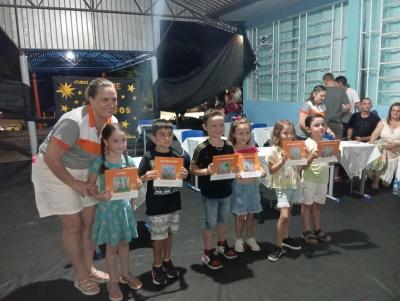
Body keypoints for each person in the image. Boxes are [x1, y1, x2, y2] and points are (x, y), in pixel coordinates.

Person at [31, 78, 117, 295]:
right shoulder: (73, 122)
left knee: (89, 223)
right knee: (74, 225)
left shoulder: (110, 121)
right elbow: (51, 158)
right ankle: (81, 275)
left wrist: (92, 180)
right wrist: (73, 183)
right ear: (90, 100)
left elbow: (103, 156)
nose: (110, 103)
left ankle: (89, 268)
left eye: (114, 99)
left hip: (85, 170)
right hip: (54, 169)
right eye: (105, 99)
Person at [87, 123, 142, 301]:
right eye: (116, 140)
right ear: (106, 142)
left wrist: (138, 186)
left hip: (124, 211)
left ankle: (126, 274)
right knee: (111, 248)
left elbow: (134, 185)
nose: (121, 144)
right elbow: (90, 187)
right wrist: (100, 195)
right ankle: (113, 282)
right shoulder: (99, 162)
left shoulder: (129, 161)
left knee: (125, 244)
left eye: (124, 140)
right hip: (108, 211)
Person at [138, 119, 189, 286]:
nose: (167, 138)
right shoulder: (148, 157)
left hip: (173, 203)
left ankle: (167, 260)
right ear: (154, 137)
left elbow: (184, 176)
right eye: (162, 135)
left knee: (169, 234)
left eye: (169, 135)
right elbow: (138, 179)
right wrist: (145, 177)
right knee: (158, 237)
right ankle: (157, 265)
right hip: (156, 206)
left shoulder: (177, 155)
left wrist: (184, 174)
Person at [190, 109, 238, 270]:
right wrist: (206, 171)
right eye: (214, 126)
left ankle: (222, 245)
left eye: (221, 125)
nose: (218, 129)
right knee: (210, 222)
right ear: (205, 127)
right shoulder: (201, 148)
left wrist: (236, 168)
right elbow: (193, 169)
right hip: (210, 192)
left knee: (223, 220)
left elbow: (232, 165)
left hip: (226, 190)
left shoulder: (229, 145)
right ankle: (208, 252)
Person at [266, 120, 303, 262]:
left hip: (294, 184)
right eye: (285, 133)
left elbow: (298, 168)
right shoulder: (274, 150)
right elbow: (271, 170)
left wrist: (303, 160)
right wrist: (282, 161)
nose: (289, 136)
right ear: (278, 133)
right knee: (285, 215)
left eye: (291, 133)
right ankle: (278, 246)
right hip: (281, 186)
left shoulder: (295, 147)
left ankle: (285, 238)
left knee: (290, 212)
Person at [228, 118, 265, 253]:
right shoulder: (231, 150)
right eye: (240, 133)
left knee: (251, 215)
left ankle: (250, 238)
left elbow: (257, 166)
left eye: (247, 133)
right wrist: (233, 172)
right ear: (233, 134)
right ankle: (238, 239)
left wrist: (261, 171)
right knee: (240, 216)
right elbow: (228, 169)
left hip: (253, 187)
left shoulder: (253, 149)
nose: (244, 136)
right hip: (239, 187)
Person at [301, 115, 337, 244]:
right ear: (308, 129)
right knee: (307, 206)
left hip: (322, 180)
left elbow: (329, 163)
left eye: (323, 124)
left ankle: (317, 229)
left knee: (317, 206)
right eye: (316, 125)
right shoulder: (306, 144)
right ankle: (306, 230)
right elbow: (302, 166)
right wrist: (312, 155)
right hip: (309, 180)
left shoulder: (326, 143)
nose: (321, 127)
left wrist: (334, 157)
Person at [368, 102, 400, 189]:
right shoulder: (384, 121)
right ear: (390, 111)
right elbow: (375, 133)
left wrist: (395, 143)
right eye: (393, 110)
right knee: (380, 149)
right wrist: (371, 144)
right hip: (384, 146)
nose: (395, 112)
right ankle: (375, 179)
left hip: (397, 147)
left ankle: (376, 180)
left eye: (398, 111)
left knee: (381, 150)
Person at [322, 73, 350, 139]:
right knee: (337, 145)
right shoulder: (341, 91)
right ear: (333, 79)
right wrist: (340, 111)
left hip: (323, 123)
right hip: (336, 123)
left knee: (322, 145)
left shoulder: (322, 91)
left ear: (325, 81)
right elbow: (348, 107)